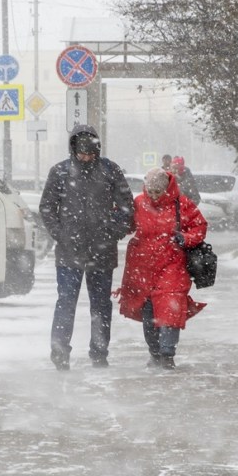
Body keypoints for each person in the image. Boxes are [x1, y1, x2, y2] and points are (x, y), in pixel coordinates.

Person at [39, 124, 135, 370]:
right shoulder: (60, 172)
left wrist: (112, 231)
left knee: (101, 304)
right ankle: (60, 353)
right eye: (82, 154)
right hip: (69, 251)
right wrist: (61, 234)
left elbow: (126, 206)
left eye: (90, 154)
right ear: (73, 149)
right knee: (66, 302)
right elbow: (47, 208)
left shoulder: (110, 170)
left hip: (102, 250)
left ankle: (99, 352)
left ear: (97, 150)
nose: (86, 158)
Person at [117, 168, 208, 370]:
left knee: (170, 307)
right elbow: (126, 225)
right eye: (151, 191)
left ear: (167, 189)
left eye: (158, 192)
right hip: (143, 265)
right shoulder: (139, 203)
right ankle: (154, 352)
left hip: (173, 263)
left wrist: (185, 238)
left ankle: (167, 354)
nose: (154, 196)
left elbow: (199, 226)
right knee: (148, 313)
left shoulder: (181, 204)